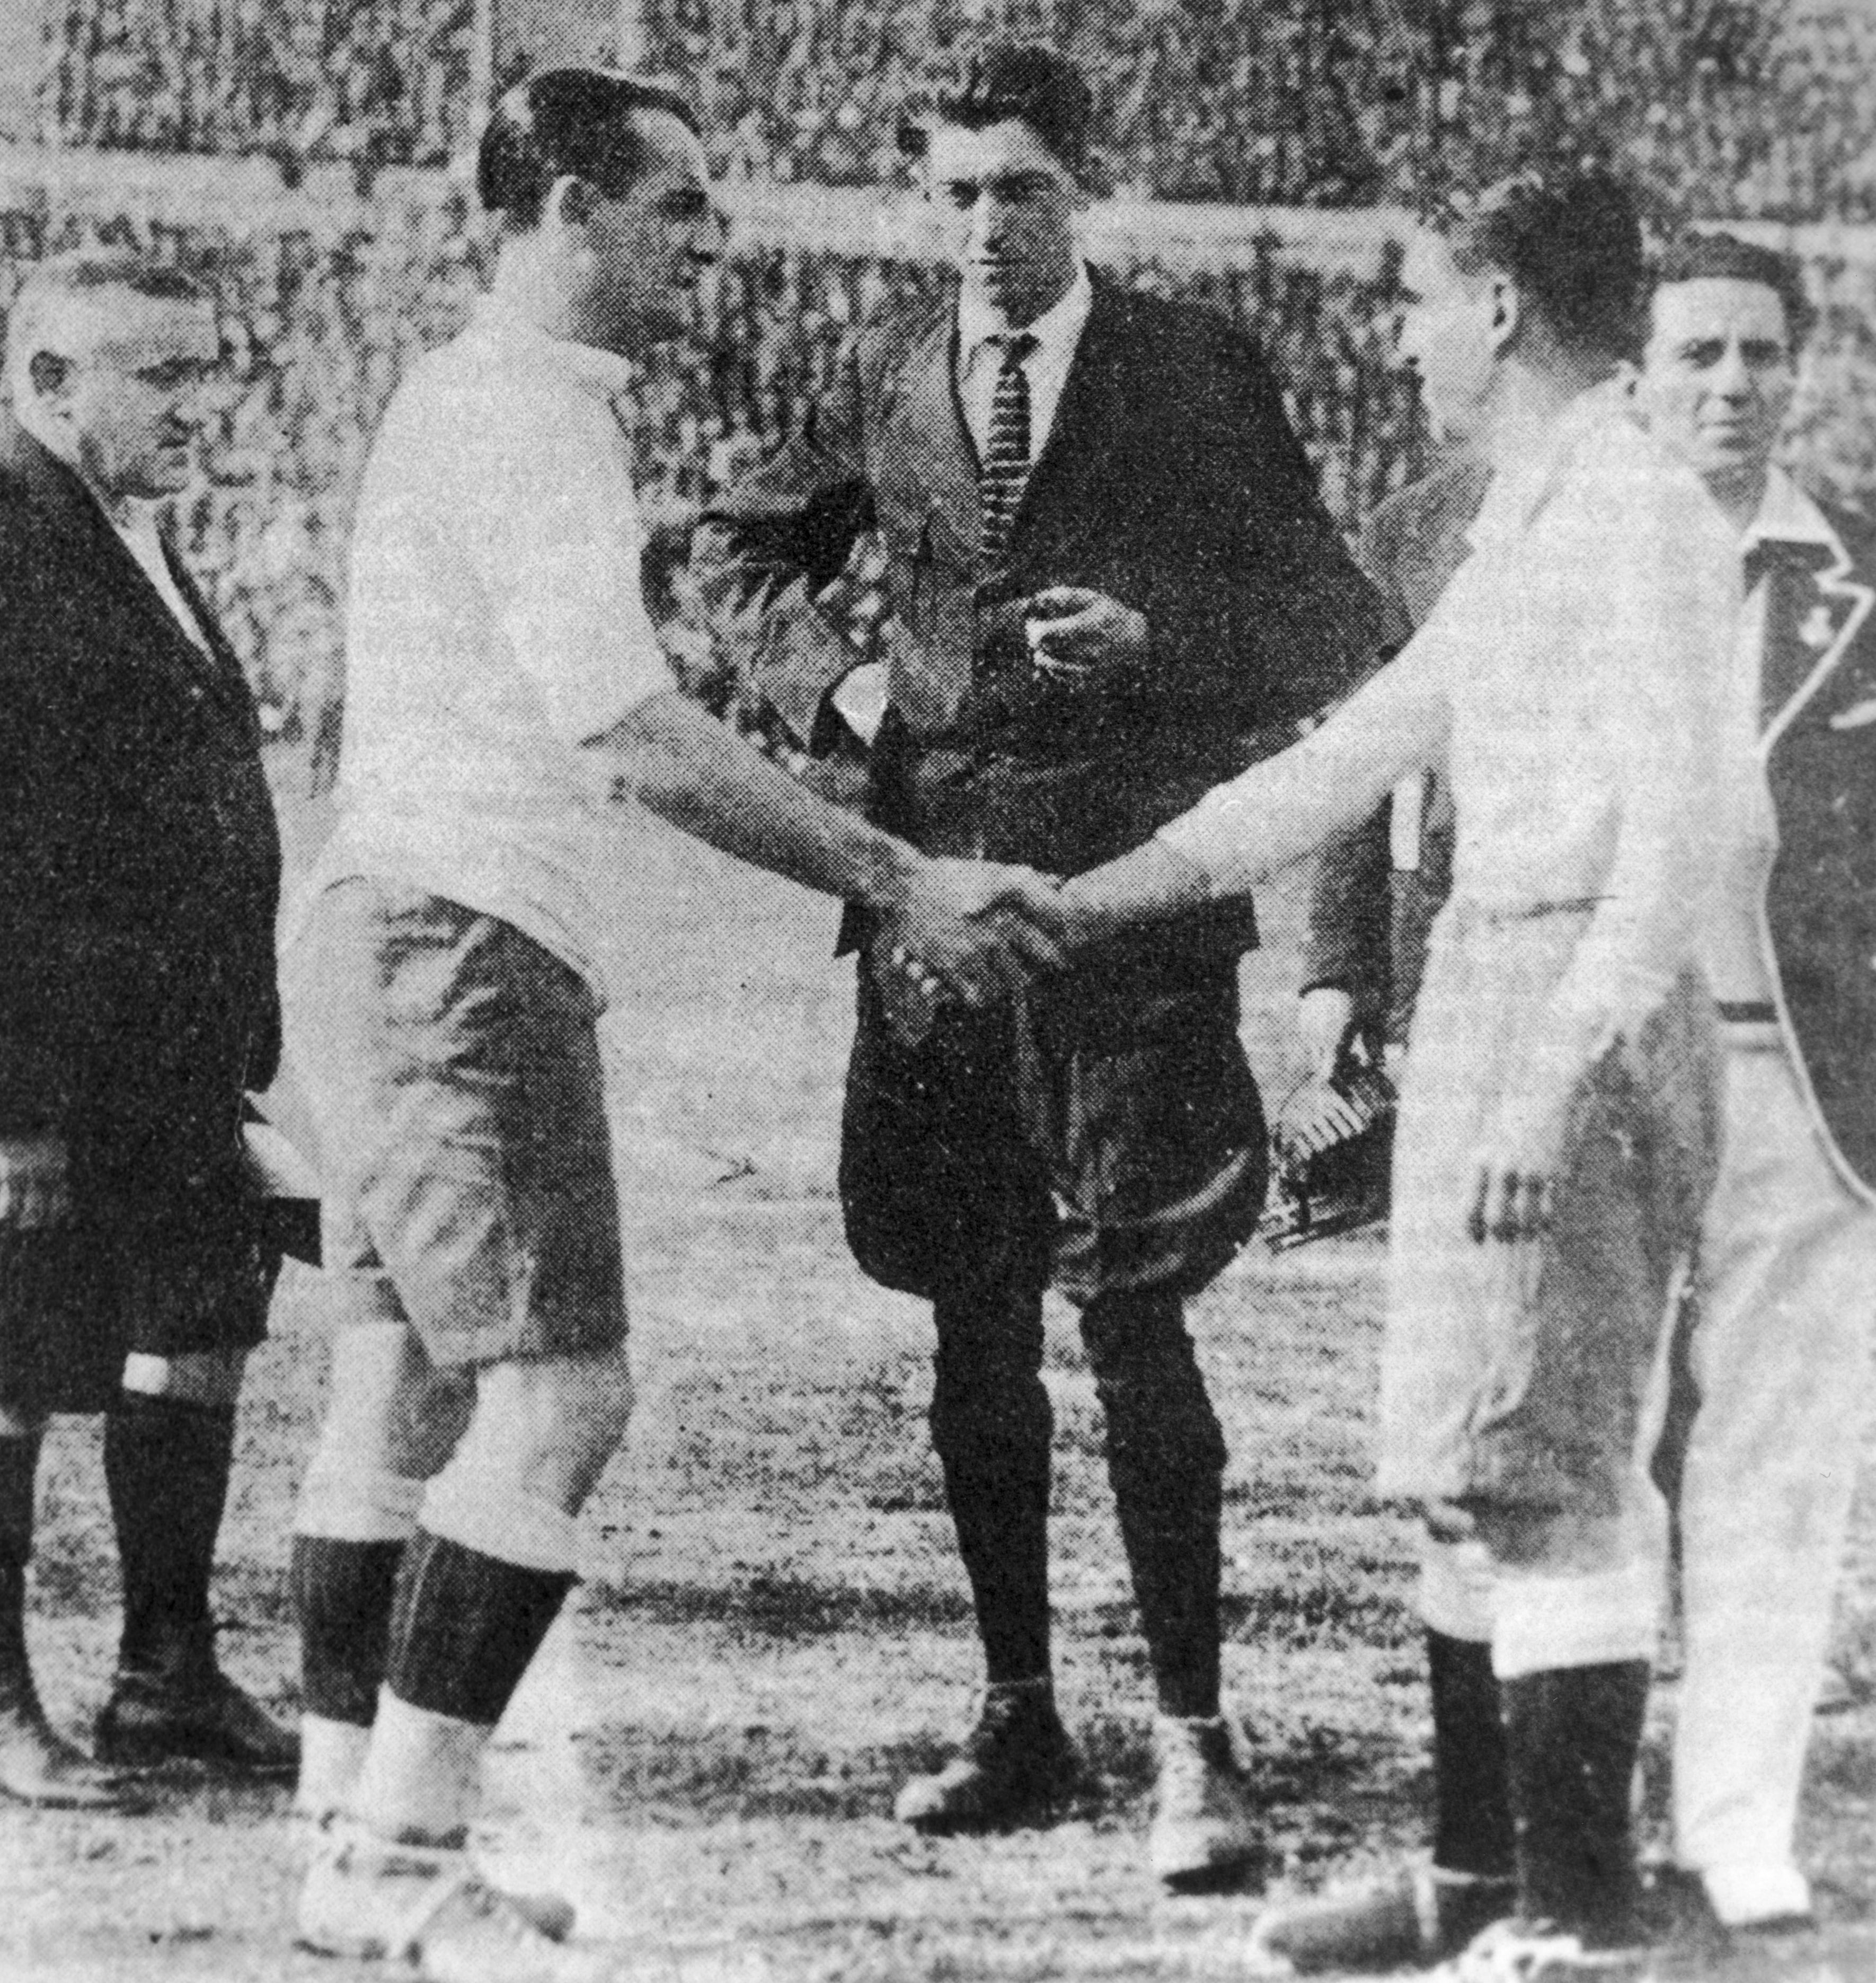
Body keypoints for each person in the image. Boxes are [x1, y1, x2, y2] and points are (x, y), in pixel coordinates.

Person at [285, 67, 1067, 1981]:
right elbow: (625, 731)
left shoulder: (499, 403)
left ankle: (340, 1826)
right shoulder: (519, 414)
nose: (708, 244)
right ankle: (398, 1856)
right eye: (677, 207)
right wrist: (896, 877)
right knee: (564, 1393)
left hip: (389, 927)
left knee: (398, 1380)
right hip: (462, 945)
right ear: (562, 206)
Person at [693, 43, 1388, 1887]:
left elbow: (1341, 622)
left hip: (1130, 914)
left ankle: (1193, 1740)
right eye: (954, 191)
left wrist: (1165, 637)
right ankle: (1015, 1709)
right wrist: (830, 688)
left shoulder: (1190, 370)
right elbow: (738, 547)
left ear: (1086, 185)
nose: (986, 224)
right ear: (921, 199)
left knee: (1136, 1310)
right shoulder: (889, 368)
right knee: (970, 1312)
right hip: (933, 911)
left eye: (1018, 186)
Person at [1056, 169, 1737, 1979]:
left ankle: (1579, 1925)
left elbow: (1686, 832)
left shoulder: (1641, 507)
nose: (1402, 334)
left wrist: (1545, 1087)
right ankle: (1469, 1881)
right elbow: (1362, 743)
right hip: (1493, 988)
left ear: (1501, 303)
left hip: (1572, 1001)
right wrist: (1092, 900)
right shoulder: (1540, 499)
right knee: (1463, 1463)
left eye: (1418, 297)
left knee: (1551, 1469)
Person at [0, 253, 299, 1806]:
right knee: (15, 1373)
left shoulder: (135, 534)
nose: (199, 403)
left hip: (179, 1060)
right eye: (158, 376)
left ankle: (164, 1675)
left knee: (191, 1341)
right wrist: (15, 1110)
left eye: (206, 369)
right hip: (55, 1069)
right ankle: (2, 1706)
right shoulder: (10, 537)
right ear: (51, 382)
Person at [1630, 232, 1876, 1940]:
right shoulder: (1565, 558)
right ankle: (1571, 1807)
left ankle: (1734, 1819)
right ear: (1637, 373)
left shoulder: (1858, 583)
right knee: (1582, 1448)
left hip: (1806, 1081)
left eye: (1756, 357)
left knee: (1779, 1459)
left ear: (1800, 371)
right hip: (1605, 1054)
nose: (1728, 387)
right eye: (1695, 355)